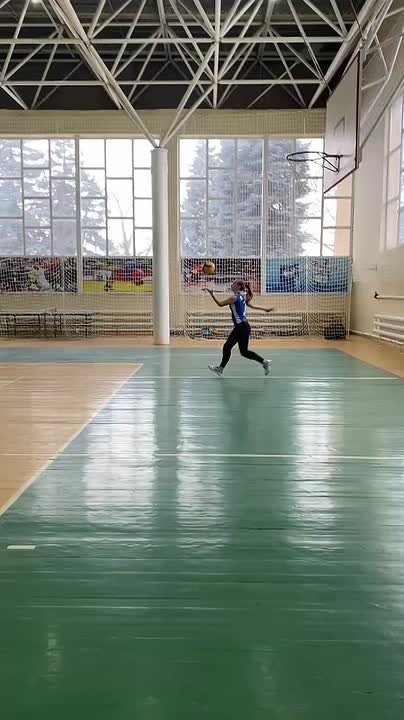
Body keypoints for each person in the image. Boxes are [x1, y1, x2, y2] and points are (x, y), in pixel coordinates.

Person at [205, 279, 273, 377]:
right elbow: (252, 306)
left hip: (241, 326)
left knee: (227, 347)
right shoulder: (242, 297)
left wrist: (212, 294)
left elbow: (220, 304)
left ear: (238, 286)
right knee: (244, 352)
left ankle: (220, 368)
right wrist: (265, 309)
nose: (232, 284)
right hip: (245, 326)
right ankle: (264, 362)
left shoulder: (234, 297)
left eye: (234, 283)